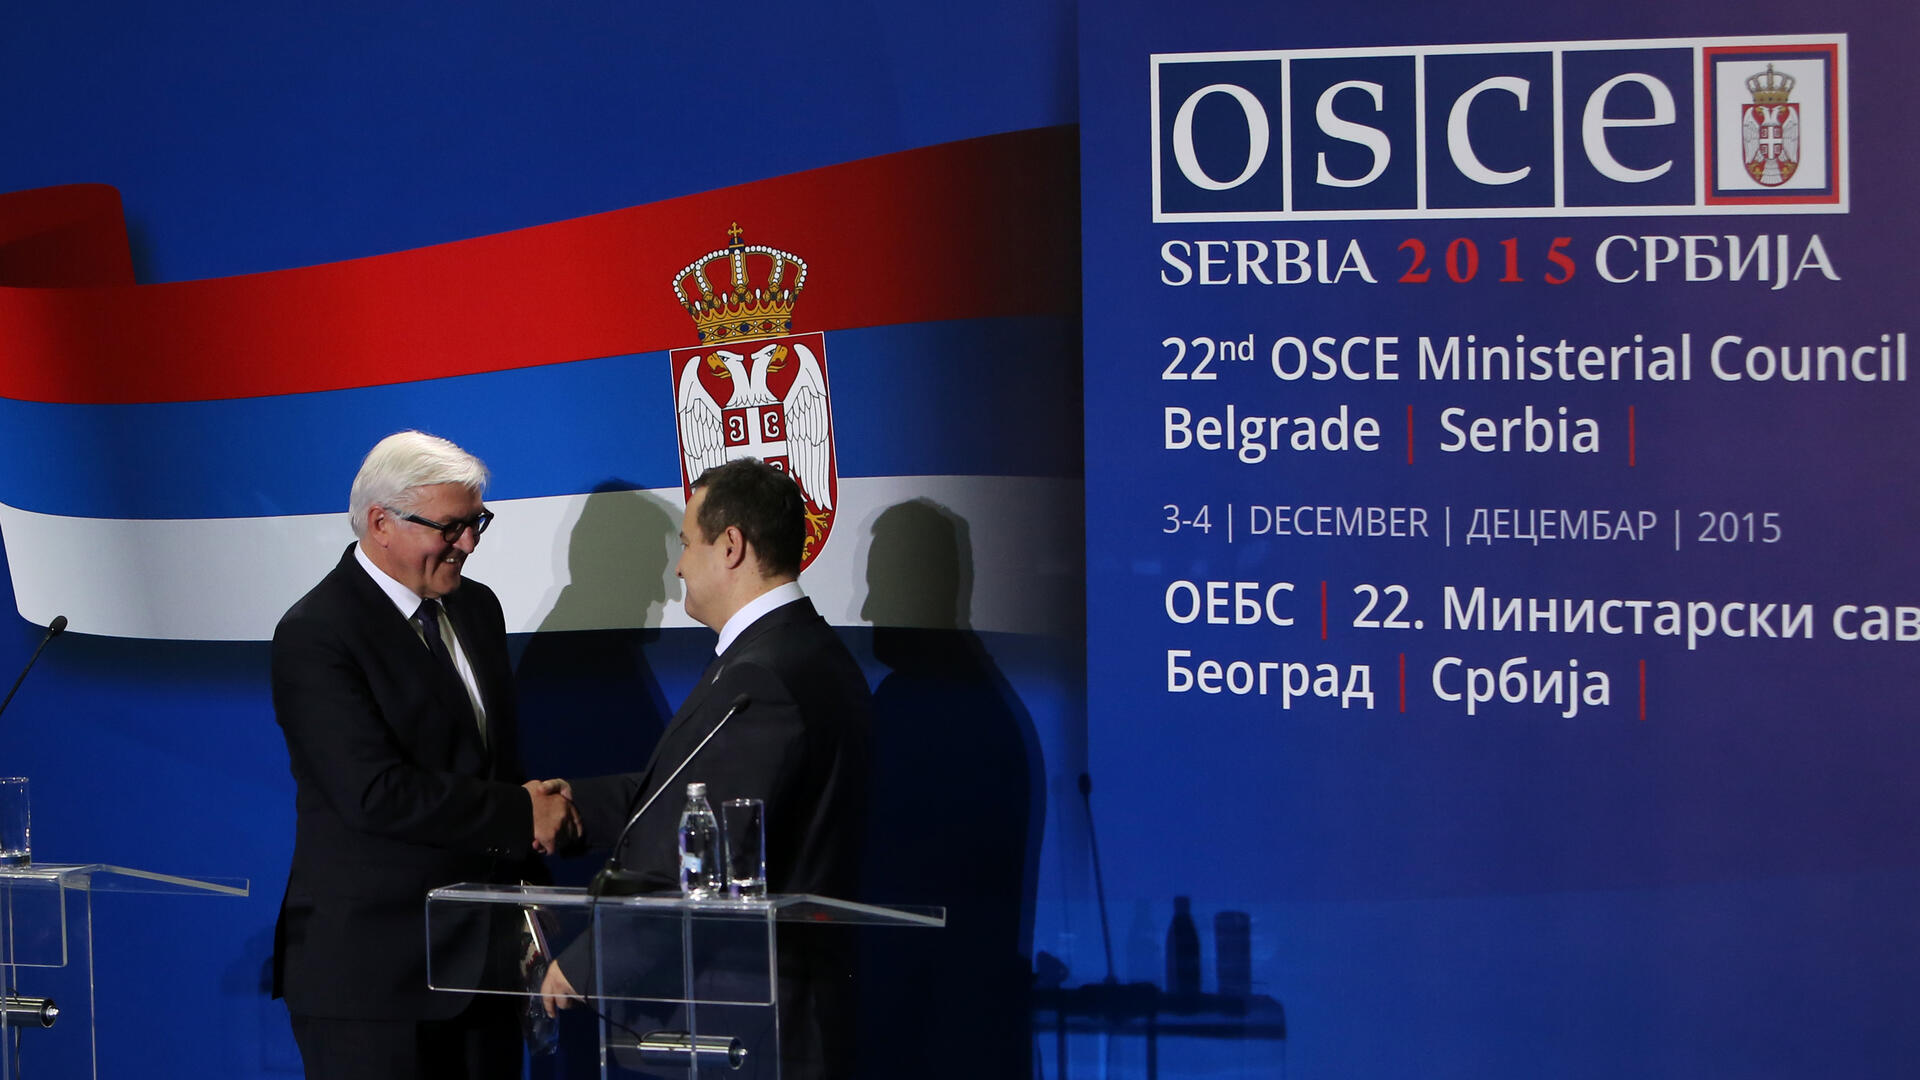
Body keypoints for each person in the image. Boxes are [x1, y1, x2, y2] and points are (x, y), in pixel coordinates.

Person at [538, 457, 870, 1080]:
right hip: (765, 1019)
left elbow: (712, 851)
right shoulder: (795, 652)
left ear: (732, 546)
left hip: (749, 1027)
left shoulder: (764, 677)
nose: (679, 566)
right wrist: (573, 806)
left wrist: (588, 964)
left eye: (688, 543)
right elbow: (688, 792)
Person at [270, 430, 578, 1080]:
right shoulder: (316, 633)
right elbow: (372, 792)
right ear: (381, 523)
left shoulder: (477, 609)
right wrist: (520, 813)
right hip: (375, 981)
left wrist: (531, 900)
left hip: (484, 966)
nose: (468, 544)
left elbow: (495, 766)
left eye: (477, 523)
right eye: (451, 527)